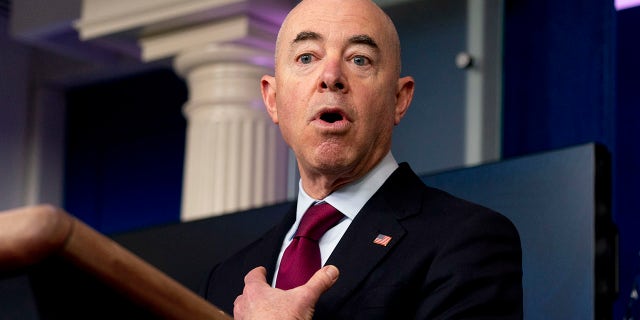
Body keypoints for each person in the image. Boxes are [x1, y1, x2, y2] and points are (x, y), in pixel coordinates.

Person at [203, 0, 523, 319]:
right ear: (272, 99)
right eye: (306, 57)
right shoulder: (228, 279)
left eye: (359, 59)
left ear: (399, 99)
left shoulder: (467, 241)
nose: (331, 76)